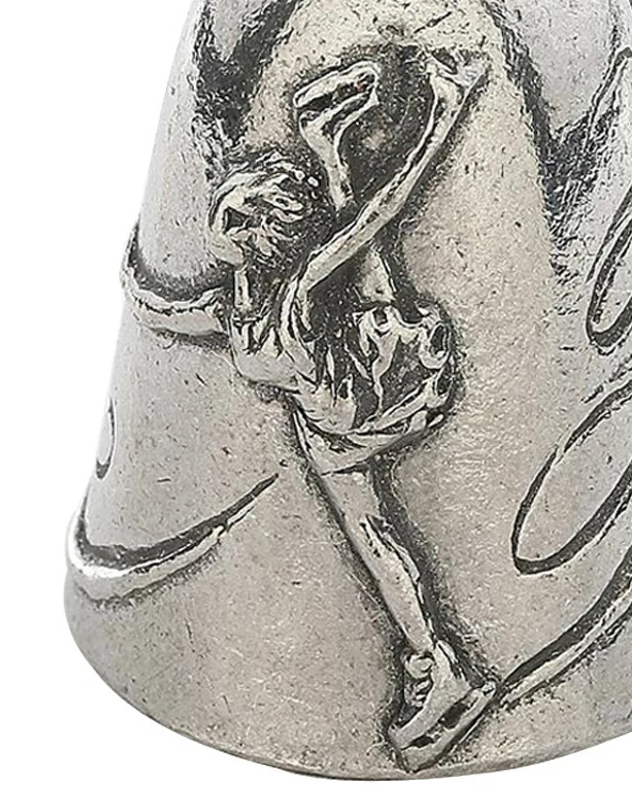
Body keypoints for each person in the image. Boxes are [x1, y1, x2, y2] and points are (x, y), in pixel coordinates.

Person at [207, 50, 493, 769]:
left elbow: (377, 218)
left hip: (372, 400)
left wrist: (442, 113)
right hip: (326, 432)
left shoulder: (294, 291)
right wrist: (143, 294)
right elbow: (200, 315)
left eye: (233, 215)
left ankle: (436, 668)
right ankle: (327, 140)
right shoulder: (251, 294)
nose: (219, 224)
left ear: (260, 225)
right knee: (376, 544)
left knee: (363, 272)